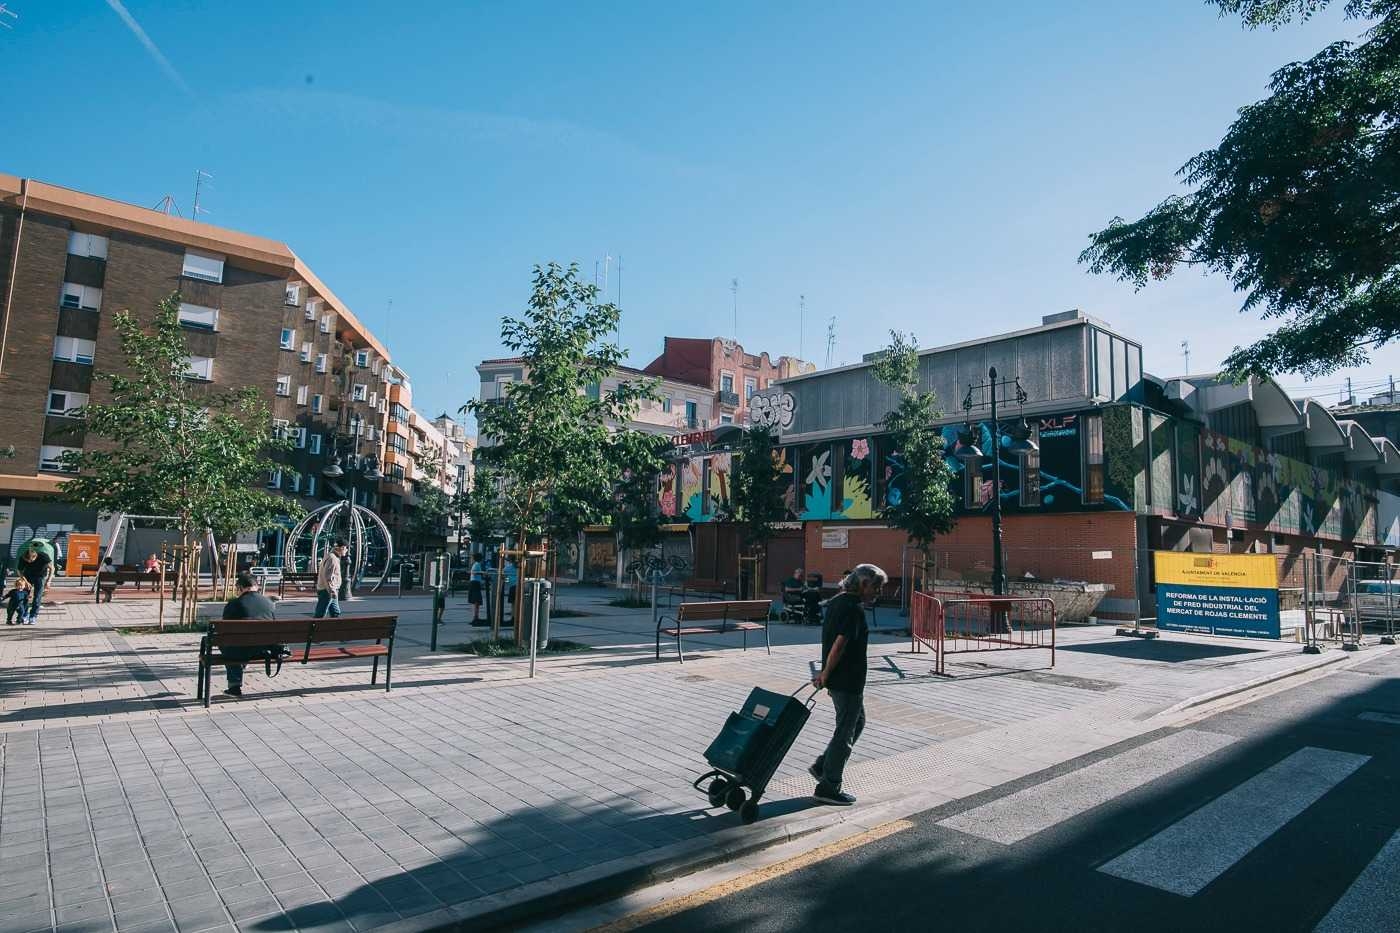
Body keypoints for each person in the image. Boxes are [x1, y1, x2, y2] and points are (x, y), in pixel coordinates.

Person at [809, 563, 887, 806]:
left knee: (857, 722)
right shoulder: (853, 608)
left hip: (840, 680)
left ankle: (823, 766)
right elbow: (839, 644)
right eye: (877, 587)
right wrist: (825, 674)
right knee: (845, 732)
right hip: (846, 680)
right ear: (864, 584)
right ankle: (829, 786)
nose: (878, 592)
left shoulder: (838, 601)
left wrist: (826, 674)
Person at [219, 571, 282, 697]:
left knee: (228, 644)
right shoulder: (269, 603)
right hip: (264, 650)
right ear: (257, 587)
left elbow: (225, 630)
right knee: (239, 642)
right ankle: (242, 664)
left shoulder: (234, 604)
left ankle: (234, 687)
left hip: (240, 651)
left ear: (240, 588)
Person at [19, 546, 53, 625]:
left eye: (30, 561)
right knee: (24, 596)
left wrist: (48, 581)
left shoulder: (43, 557)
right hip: (27, 576)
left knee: (37, 597)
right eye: (27, 561)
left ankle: (33, 616)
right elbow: (20, 571)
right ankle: (25, 615)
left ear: (35, 556)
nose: (29, 562)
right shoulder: (23, 557)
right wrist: (26, 582)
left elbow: (52, 568)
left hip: (40, 577)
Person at [315, 541, 347, 618]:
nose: (346, 551)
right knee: (320, 614)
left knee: (335, 613)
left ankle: (334, 628)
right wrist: (332, 591)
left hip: (329, 589)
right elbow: (328, 577)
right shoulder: (332, 558)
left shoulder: (331, 556)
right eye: (346, 548)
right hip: (327, 591)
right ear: (342, 548)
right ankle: (314, 628)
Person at [468, 556, 485, 625]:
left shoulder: (476, 564)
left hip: (474, 583)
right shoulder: (477, 564)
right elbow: (474, 572)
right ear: (481, 559)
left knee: (476, 602)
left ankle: (476, 616)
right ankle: (475, 617)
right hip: (475, 583)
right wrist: (481, 573)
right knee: (476, 601)